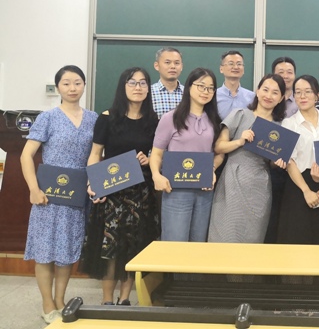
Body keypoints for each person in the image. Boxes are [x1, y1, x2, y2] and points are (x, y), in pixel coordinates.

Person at [20, 65, 98, 324]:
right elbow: (26, 156)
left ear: (84, 85)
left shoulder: (94, 119)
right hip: (48, 197)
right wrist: (34, 189)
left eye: (77, 82)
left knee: (66, 251)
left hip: (77, 198)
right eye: (66, 83)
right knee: (45, 251)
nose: (72, 88)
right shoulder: (48, 118)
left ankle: (61, 300)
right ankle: (47, 303)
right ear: (58, 87)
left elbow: (97, 155)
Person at [80, 67, 160, 305]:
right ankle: (107, 300)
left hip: (141, 192)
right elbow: (95, 154)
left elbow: (157, 154)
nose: (138, 87)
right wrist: (92, 182)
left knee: (133, 245)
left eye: (143, 83)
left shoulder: (153, 120)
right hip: (111, 189)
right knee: (111, 247)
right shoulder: (107, 117)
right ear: (123, 87)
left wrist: (147, 158)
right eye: (132, 82)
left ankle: (125, 299)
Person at [208, 74, 287, 243]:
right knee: (225, 232)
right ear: (257, 91)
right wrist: (239, 141)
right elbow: (219, 146)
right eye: (265, 90)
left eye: (275, 92)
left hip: (260, 185)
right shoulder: (240, 114)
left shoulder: (279, 128)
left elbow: (271, 163)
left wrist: (278, 162)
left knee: (253, 236)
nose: (268, 95)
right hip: (232, 178)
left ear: (281, 98)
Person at [149, 67, 221, 242]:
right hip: (176, 190)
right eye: (201, 86)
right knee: (175, 242)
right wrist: (156, 175)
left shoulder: (214, 120)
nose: (205, 91)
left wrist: (211, 170)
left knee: (198, 244)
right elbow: (156, 154)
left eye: (210, 88)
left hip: (204, 191)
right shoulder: (170, 118)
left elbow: (219, 154)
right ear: (189, 86)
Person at [277, 75, 319, 244]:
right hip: (299, 185)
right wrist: (306, 191)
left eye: (308, 92)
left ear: (317, 95)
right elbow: (290, 162)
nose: (302, 96)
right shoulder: (289, 123)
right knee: (297, 237)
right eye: (298, 92)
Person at [266, 57, 297, 242]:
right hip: (271, 166)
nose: (285, 76)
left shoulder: (302, 101)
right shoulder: (267, 101)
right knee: (270, 213)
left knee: (290, 215)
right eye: (281, 72)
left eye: (289, 72)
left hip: (297, 166)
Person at [216, 50, 255, 120]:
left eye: (239, 64)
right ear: (221, 69)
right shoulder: (213, 96)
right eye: (231, 64)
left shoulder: (252, 97)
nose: (236, 67)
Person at [150, 47, 184, 119]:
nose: (173, 66)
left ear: (181, 66)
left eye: (177, 63)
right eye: (167, 62)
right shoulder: (148, 93)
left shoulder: (189, 93)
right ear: (156, 66)